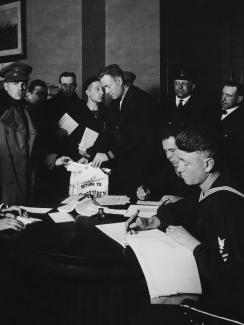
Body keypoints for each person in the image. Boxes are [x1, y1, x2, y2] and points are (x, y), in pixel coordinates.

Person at [126, 125, 244, 320]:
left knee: (147, 302)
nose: (179, 169)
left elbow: (231, 277)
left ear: (208, 165)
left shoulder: (225, 205)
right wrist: (151, 221)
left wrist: (193, 245)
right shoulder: (210, 186)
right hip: (209, 284)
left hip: (227, 305)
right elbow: (185, 209)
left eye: (185, 163)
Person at [83, 64, 160, 196]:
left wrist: (108, 155)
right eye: (104, 88)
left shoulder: (141, 100)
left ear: (119, 80)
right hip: (124, 164)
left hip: (141, 167)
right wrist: (90, 155)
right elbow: (108, 133)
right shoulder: (115, 102)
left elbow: (134, 136)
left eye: (108, 86)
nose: (106, 92)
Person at [0, 62, 38, 205]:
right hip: (7, 185)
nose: (20, 88)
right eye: (15, 83)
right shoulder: (3, 113)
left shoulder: (28, 111)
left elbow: (31, 147)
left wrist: (52, 159)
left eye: (23, 83)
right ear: (5, 86)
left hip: (27, 179)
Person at [136, 127, 198, 203]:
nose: (168, 156)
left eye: (172, 150)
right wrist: (146, 191)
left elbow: (207, 201)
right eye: (165, 151)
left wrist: (182, 200)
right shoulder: (169, 169)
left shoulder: (199, 170)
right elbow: (157, 186)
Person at [217, 81, 244, 190]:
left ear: (239, 99)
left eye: (228, 96)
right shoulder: (211, 113)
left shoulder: (241, 119)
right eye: (223, 94)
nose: (223, 98)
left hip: (233, 173)